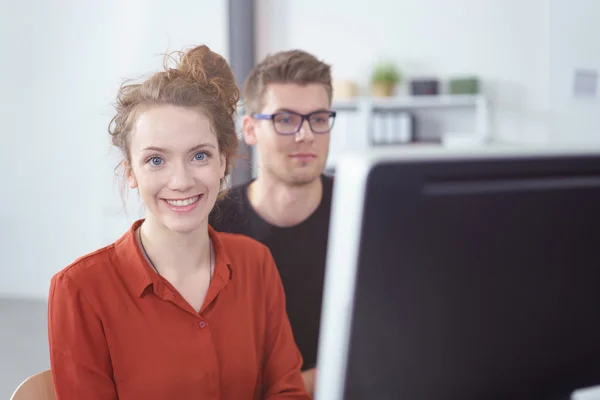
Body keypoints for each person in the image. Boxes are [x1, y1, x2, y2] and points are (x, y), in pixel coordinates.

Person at [47, 45, 310, 400]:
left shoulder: (256, 263)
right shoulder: (79, 289)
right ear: (131, 172)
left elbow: (286, 390)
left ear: (223, 163)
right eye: (156, 160)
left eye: (199, 155)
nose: (181, 181)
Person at [210, 49, 335, 394]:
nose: (305, 135)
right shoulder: (213, 223)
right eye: (285, 119)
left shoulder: (361, 211)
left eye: (319, 119)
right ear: (249, 129)